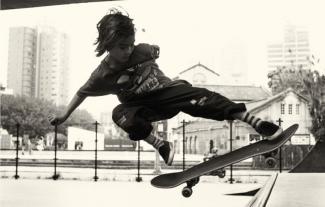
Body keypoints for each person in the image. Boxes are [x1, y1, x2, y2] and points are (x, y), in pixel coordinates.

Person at [48, 8, 282, 166]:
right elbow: (81, 92)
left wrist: (152, 54)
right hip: (140, 108)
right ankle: (161, 145)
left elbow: (154, 49)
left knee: (201, 97)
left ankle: (256, 123)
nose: (128, 51)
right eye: (122, 47)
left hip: (168, 94)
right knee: (118, 114)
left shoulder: (142, 50)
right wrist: (64, 115)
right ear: (108, 45)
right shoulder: (102, 75)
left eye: (130, 45)